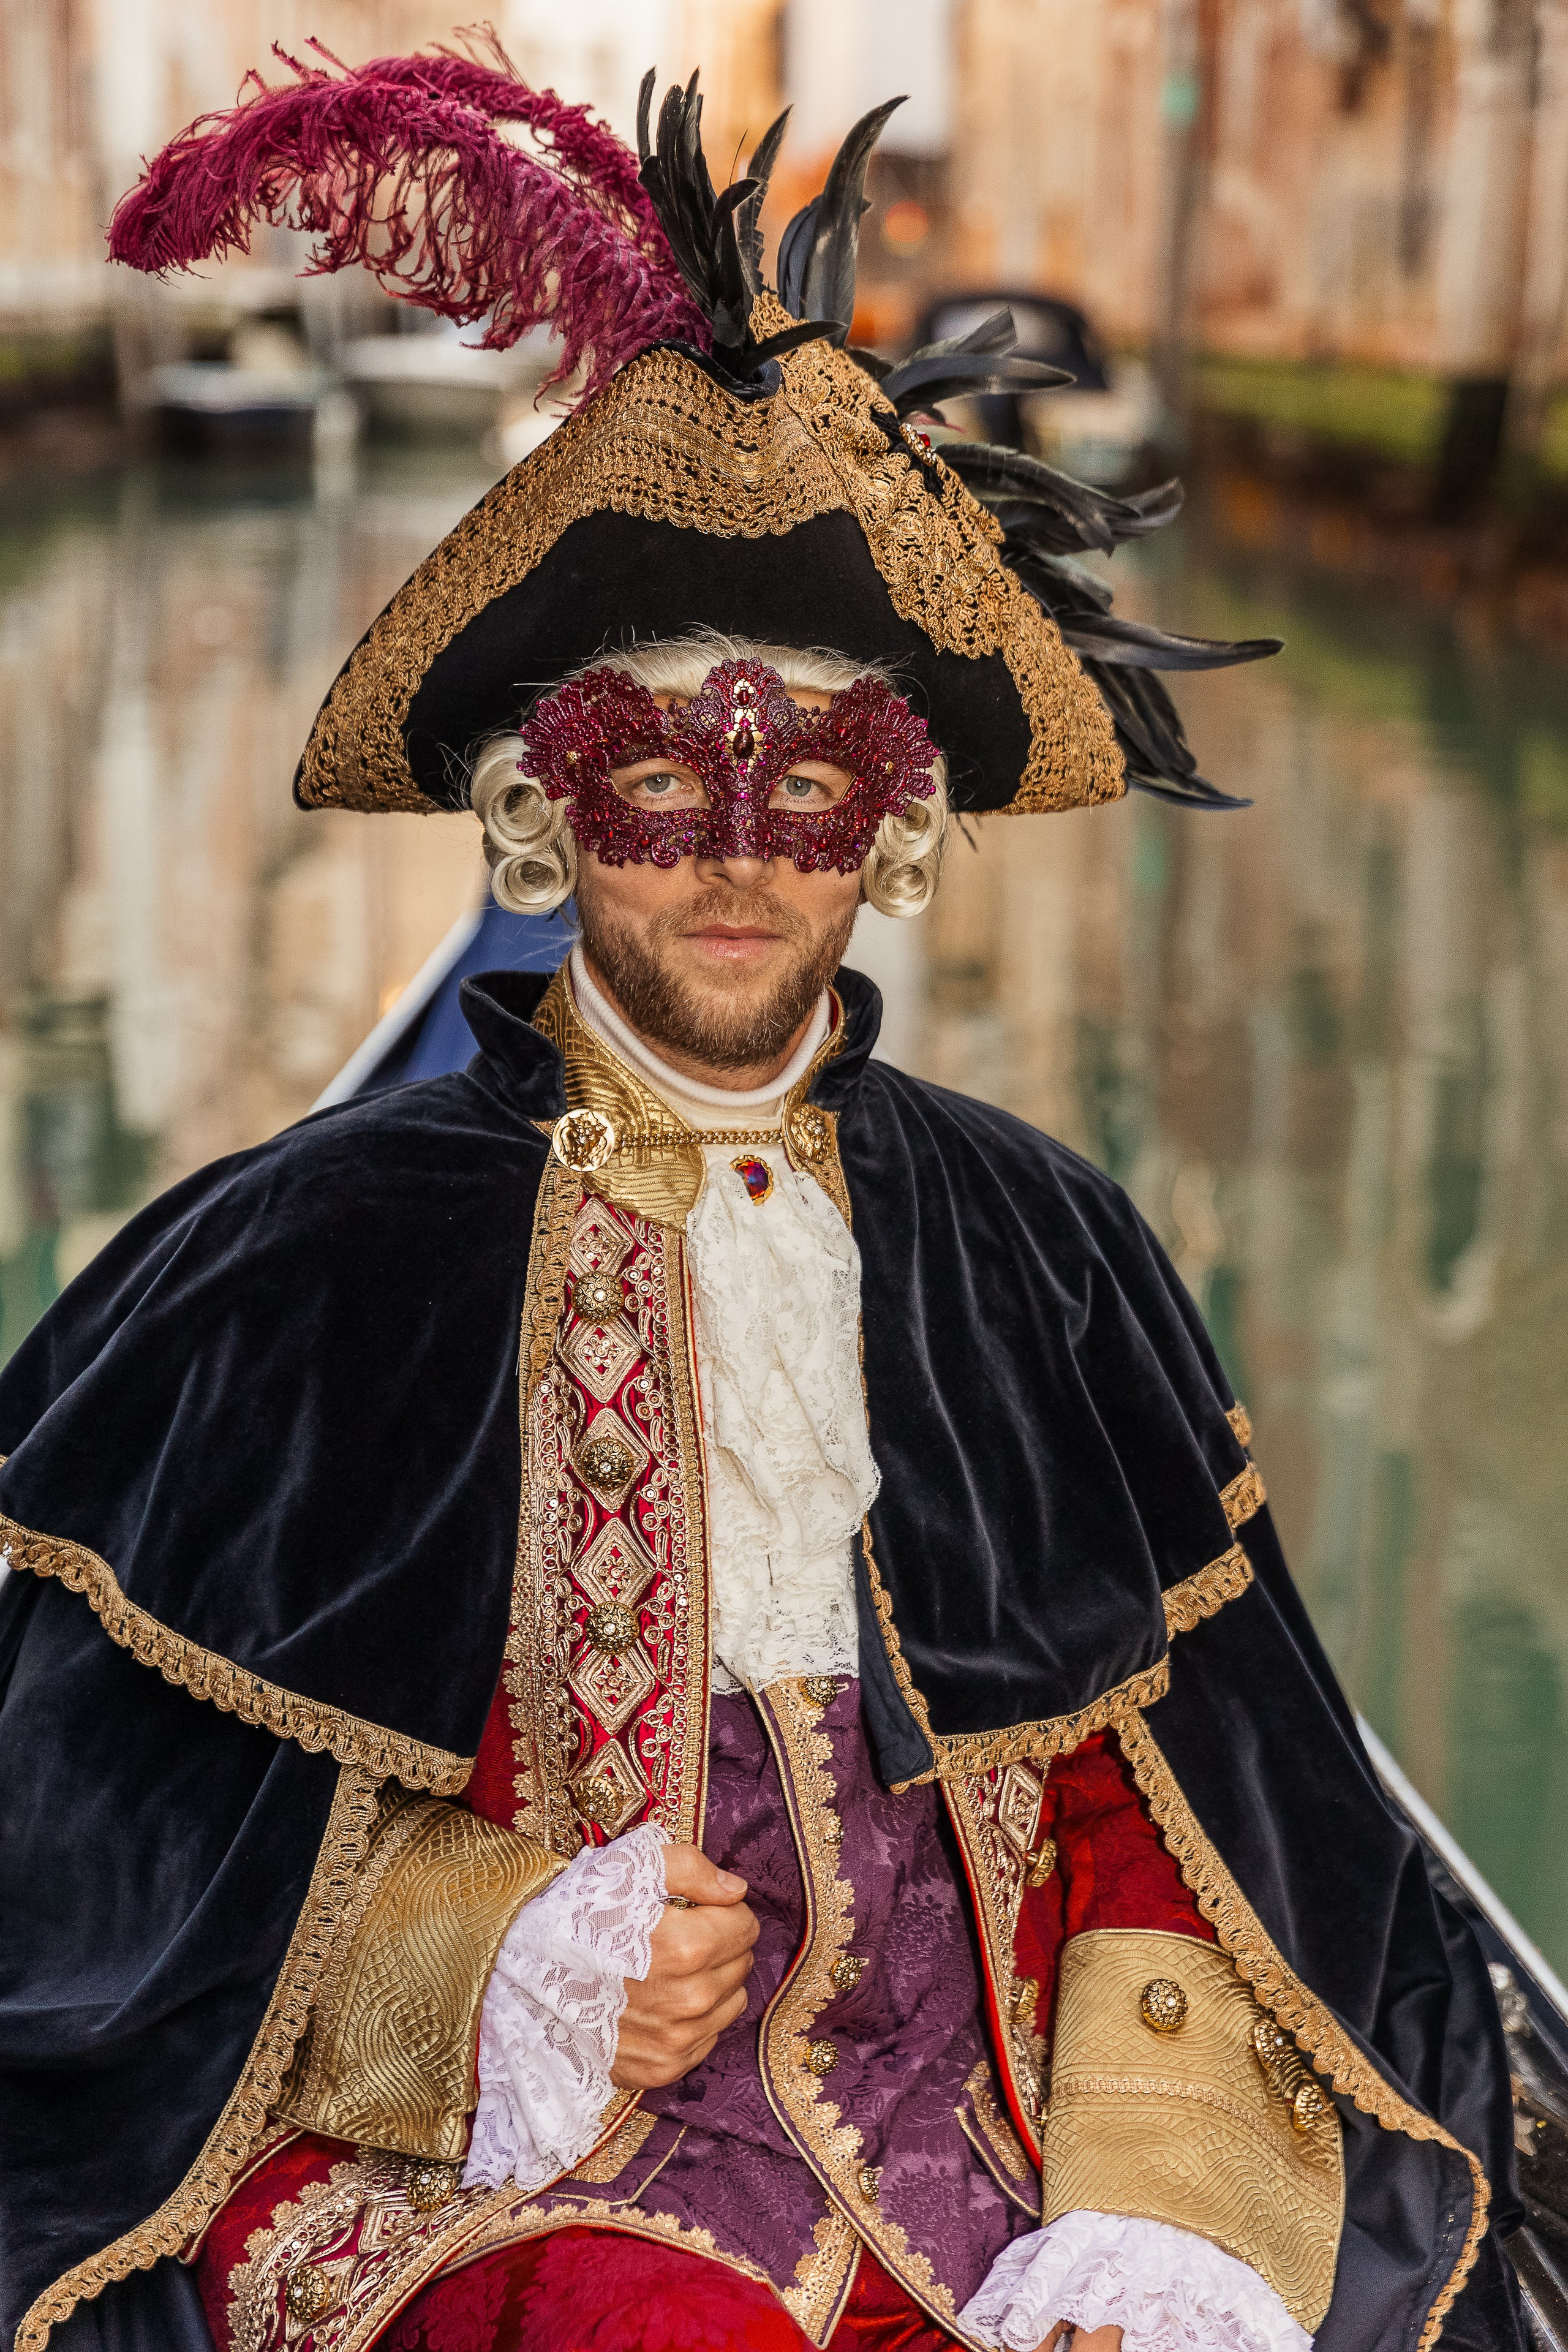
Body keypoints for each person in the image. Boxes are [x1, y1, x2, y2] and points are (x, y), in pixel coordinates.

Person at [0, 39, 1523, 2352]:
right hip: (536, 2170)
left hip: (1003, 2130)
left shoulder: (1042, 1243)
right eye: (653, 776)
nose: (734, 852)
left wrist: (1157, 2208)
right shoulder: (300, 1262)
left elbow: (1191, 1812)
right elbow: (88, 1850)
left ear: (895, 832)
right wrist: (478, 1960)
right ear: (540, 817)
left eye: (811, 781)